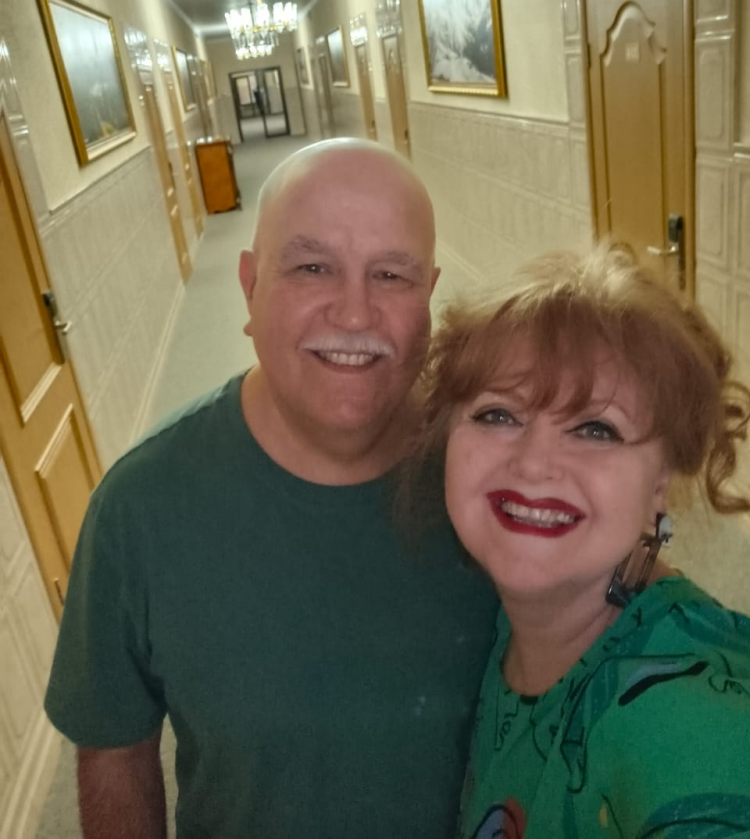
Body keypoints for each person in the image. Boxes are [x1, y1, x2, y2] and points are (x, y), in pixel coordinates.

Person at [44, 139, 498, 839]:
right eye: (313, 267)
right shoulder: (140, 507)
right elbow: (115, 749)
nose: (355, 315)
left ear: (429, 296)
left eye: (391, 275)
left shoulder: (491, 475)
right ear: (250, 286)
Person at [419, 243, 750, 838]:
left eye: (596, 429)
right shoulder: (504, 620)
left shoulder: (685, 717)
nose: (533, 464)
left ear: (662, 484)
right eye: (498, 415)